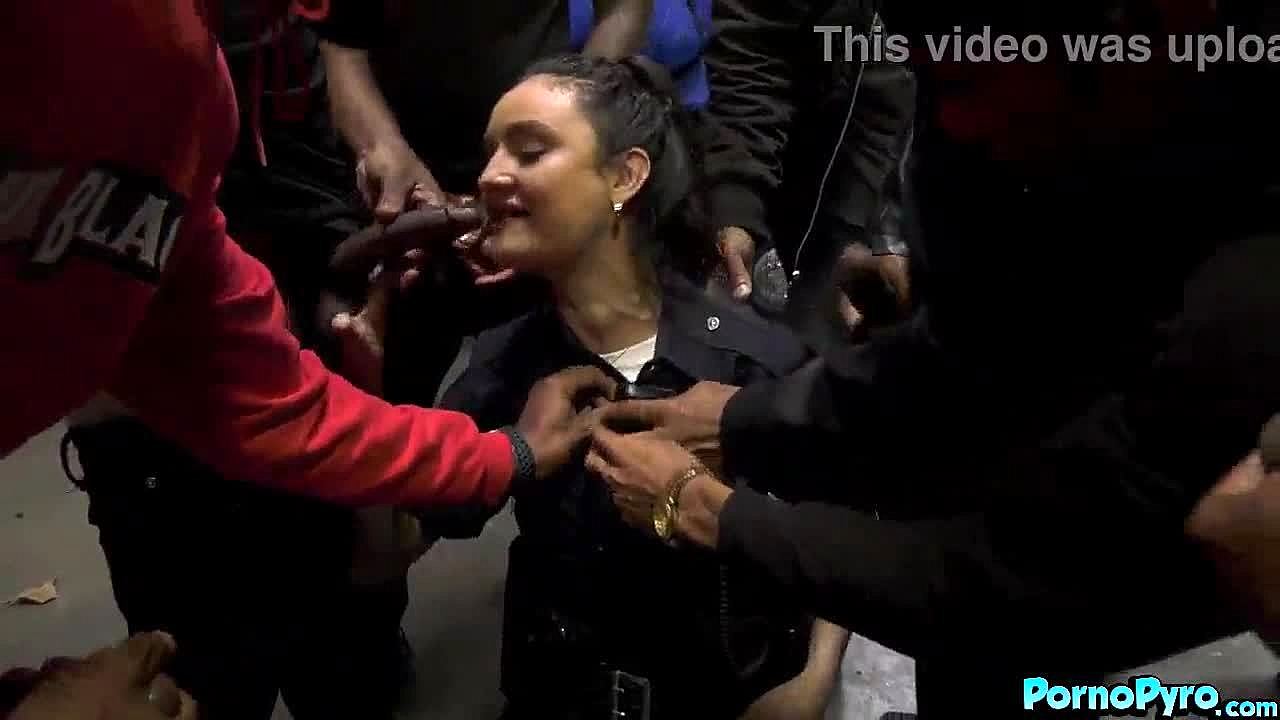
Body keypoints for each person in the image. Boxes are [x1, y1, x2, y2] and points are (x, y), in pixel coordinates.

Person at [587, 2, 1280, 717]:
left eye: (974, 80)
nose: (957, 121)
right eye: (934, 72)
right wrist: (747, 422)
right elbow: (967, 361)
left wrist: (710, 513)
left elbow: (1034, 576)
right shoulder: (997, 136)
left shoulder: (1244, 289)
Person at [1, 1, 610, 714]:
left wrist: (503, 453)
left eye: (531, 152)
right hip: (159, 460)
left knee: (334, 662)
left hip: (279, 412)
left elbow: (272, 398)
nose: (495, 176)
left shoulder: (194, 101)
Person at [338, 54, 851, 719]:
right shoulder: (507, 364)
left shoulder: (757, 359)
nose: (489, 175)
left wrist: (811, 682)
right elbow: (385, 556)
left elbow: (841, 522)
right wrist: (363, 396)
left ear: (624, 177)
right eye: (490, 153)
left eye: (529, 151)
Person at [703, 0, 916, 343]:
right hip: (785, 194)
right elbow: (753, 57)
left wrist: (879, 240)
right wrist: (736, 204)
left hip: (907, 226)